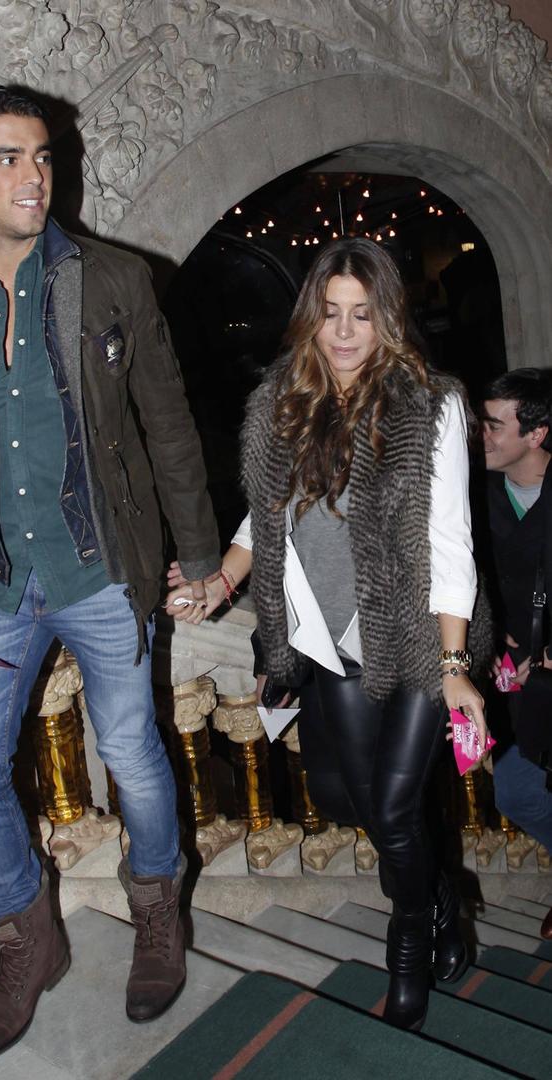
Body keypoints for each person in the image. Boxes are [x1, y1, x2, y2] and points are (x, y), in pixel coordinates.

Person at [0, 82, 220, 1062]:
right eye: (6, 158)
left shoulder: (112, 279)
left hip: (101, 568)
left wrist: (200, 555)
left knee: (133, 753)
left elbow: (167, 424)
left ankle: (157, 913)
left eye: (41, 156)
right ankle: (28, 941)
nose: (34, 176)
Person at [167, 237, 489, 1031]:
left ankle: (408, 944)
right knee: (354, 799)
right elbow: (263, 518)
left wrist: (453, 663)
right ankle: (440, 895)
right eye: (331, 313)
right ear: (310, 317)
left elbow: (450, 542)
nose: (344, 333)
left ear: (388, 320)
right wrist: (220, 581)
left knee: (392, 806)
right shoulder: (282, 403)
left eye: (362, 315)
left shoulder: (429, 405)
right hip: (330, 640)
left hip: (414, 633)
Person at [479, 369, 552, 937]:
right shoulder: (477, 495)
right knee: (516, 790)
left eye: (494, 425)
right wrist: (488, 629)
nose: (482, 435)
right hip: (515, 678)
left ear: (536, 434)